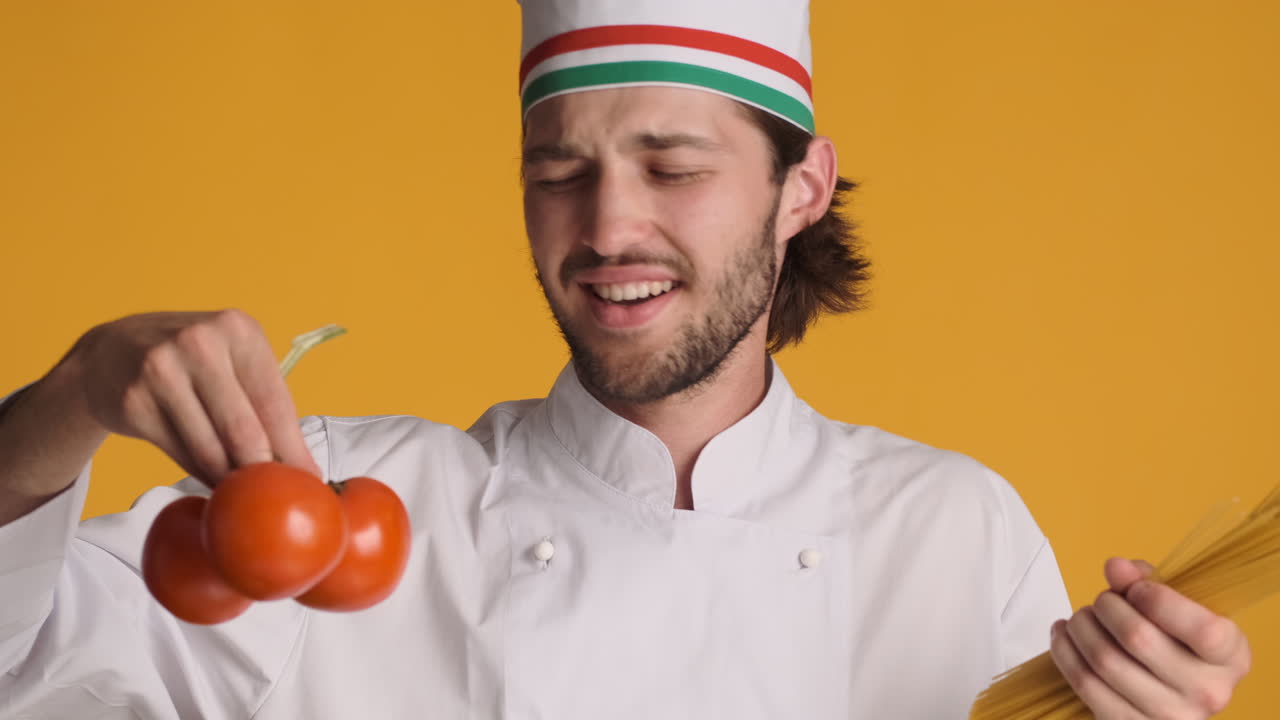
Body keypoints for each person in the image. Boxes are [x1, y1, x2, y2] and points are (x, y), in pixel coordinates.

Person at [0, 1, 1252, 718]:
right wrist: (71, 397)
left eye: (673, 168)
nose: (605, 229)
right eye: (559, 173)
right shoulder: (335, 507)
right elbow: (24, 667)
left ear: (800, 188)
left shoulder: (952, 531)